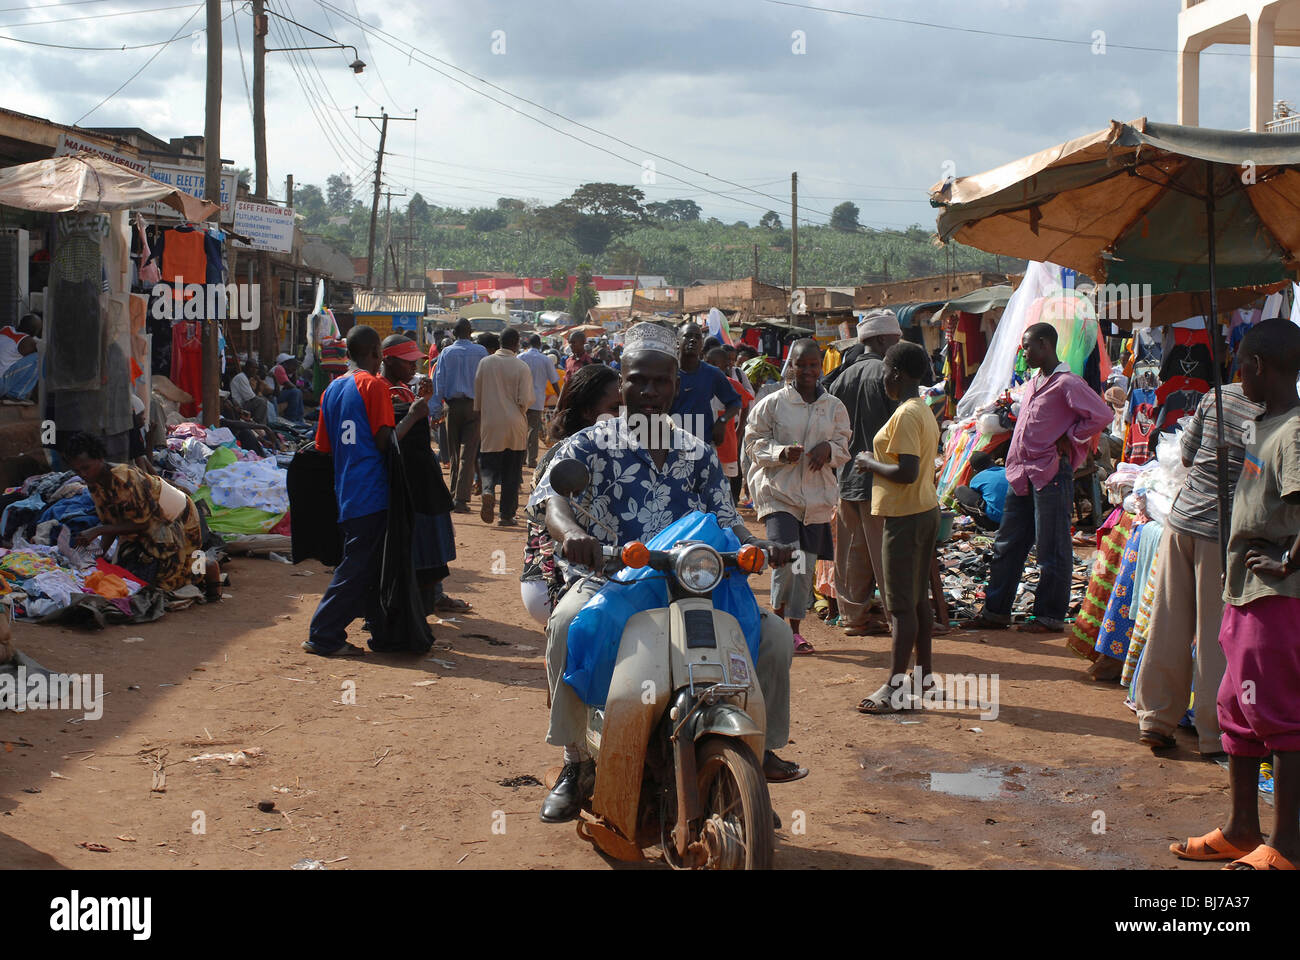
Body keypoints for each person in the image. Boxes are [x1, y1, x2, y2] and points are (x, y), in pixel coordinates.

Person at [530, 321, 807, 823]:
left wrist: (759, 545)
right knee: (567, 625)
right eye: (639, 381)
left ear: (676, 387)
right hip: (610, 579)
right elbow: (549, 498)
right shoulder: (589, 445)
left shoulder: (697, 453)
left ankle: (757, 750)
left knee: (773, 638)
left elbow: (726, 520)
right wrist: (571, 532)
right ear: (622, 382)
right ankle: (574, 762)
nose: (650, 392)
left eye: (661, 382)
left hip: (689, 583)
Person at [1170, 318, 1300, 870]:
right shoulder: (1259, 424)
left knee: (1279, 715)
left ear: (1260, 367)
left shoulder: (1294, 431)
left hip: (1276, 596)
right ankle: (1243, 828)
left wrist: (1287, 560)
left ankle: (1287, 845)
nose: (1236, 374)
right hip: (1242, 590)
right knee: (1235, 708)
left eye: (1241, 364)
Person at [1133, 382, 1261, 754]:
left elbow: (1185, 455)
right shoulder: (1280, 411)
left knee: (1168, 621)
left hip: (1182, 518)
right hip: (1219, 534)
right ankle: (1213, 732)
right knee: (1214, 633)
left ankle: (1156, 719)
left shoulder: (1217, 396)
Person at [962, 322, 1112, 635]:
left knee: (1052, 548)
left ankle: (1049, 616)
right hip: (1022, 474)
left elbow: (1101, 414)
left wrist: (1070, 437)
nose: (1024, 352)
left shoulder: (1067, 383)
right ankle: (995, 611)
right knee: (1008, 544)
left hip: (1051, 474)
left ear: (1045, 344)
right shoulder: (1034, 381)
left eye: (1028, 346)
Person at [303, 325, 426, 657]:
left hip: (345, 488)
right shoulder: (372, 386)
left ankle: (381, 630)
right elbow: (386, 442)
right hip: (371, 489)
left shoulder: (332, 390)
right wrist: (413, 417)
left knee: (369, 564)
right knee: (357, 566)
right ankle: (323, 633)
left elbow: (323, 446)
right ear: (376, 354)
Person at [743, 339, 851, 654]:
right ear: (791, 365)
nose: (807, 371)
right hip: (778, 494)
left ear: (821, 367)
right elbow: (753, 443)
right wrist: (780, 452)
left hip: (816, 500)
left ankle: (794, 630)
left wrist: (827, 449)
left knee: (804, 565)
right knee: (785, 557)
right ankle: (774, 625)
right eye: (800, 364)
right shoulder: (773, 403)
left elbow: (844, 445)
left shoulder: (833, 407)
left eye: (813, 365)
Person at [852, 342, 942, 714]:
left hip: (906, 516)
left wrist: (868, 462)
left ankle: (894, 688)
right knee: (918, 599)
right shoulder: (923, 409)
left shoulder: (906, 415)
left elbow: (905, 472)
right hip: (924, 510)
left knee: (900, 606)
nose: (884, 379)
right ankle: (923, 678)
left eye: (886, 371)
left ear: (898, 374)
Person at [63, 431, 221, 601]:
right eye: (77, 470)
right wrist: (98, 558)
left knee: (166, 582)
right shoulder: (95, 483)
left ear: (100, 458)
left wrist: (97, 530)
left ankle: (206, 566)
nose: (83, 474)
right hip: (150, 524)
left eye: (86, 467)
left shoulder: (124, 478)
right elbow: (111, 522)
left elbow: (144, 524)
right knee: (130, 575)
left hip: (177, 518)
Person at [519, 364, 622, 624]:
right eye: (615, 408)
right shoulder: (568, 456)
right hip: (551, 580)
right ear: (589, 413)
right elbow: (556, 512)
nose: (625, 416)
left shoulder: (617, 450)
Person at [826, 310, 904, 637]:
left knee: (851, 553)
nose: (898, 345)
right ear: (883, 339)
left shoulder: (840, 377)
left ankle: (852, 618)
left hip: (845, 477)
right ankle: (898, 618)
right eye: (896, 340)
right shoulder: (888, 375)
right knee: (887, 554)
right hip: (880, 478)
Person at [380, 335, 468, 617]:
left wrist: (424, 401)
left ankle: (434, 597)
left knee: (432, 539)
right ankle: (416, 605)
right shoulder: (380, 391)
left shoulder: (404, 390)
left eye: (415, 362)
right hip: (407, 482)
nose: (412, 367)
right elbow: (389, 439)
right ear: (387, 360)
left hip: (423, 478)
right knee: (419, 543)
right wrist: (416, 410)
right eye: (407, 362)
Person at [474, 327, 533, 527]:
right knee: (512, 471)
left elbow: (478, 396)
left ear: (499, 342)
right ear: (516, 343)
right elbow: (525, 400)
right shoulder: (521, 366)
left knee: (489, 464)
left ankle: (488, 489)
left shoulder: (485, 363)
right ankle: (506, 515)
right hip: (515, 423)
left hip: (491, 422)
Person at [432, 318, 488, 513]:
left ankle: (454, 494)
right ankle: (461, 499)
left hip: (452, 406)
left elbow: (438, 382)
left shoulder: (446, 353)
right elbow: (484, 381)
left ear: (453, 334)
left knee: (455, 453)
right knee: (468, 454)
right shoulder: (481, 352)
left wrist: (435, 411)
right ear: (470, 332)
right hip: (474, 407)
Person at [671, 322, 741, 445]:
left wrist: (722, 421)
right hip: (670, 443)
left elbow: (735, 402)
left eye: (697, 337)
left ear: (702, 345)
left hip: (702, 443)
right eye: (687, 336)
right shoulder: (667, 371)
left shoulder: (712, 373)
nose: (693, 340)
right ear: (677, 342)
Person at [706, 346, 753, 506]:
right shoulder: (701, 383)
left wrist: (740, 429)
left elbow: (745, 402)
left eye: (716, 363)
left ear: (725, 366)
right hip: (705, 439)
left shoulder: (731, 383)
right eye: (708, 362)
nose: (711, 366)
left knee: (724, 480)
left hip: (726, 440)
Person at [519, 333, 561, 469]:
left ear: (528, 344)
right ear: (539, 344)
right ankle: (531, 460)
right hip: (537, 400)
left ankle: (522, 459)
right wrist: (560, 397)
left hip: (521, 399)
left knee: (521, 429)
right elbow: (554, 381)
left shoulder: (520, 357)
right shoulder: (545, 360)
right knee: (533, 429)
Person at [953, 451, 1007, 532]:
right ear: (992, 461)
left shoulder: (977, 478)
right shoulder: (1007, 471)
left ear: (975, 471)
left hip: (996, 522)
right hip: (1017, 519)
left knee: (960, 490)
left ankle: (982, 525)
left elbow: (975, 497)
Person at [0, 314, 41, 400]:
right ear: (35, 331)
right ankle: (17, 394)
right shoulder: (28, 342)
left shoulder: (5, 329)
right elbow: (42, 348)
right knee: (39, 358)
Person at [229, 360, 271, 424]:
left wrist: (259, 382)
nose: (254, 370)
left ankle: (263, 424)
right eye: (252, 367)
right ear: (246, 368)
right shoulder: (241, 377)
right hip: (239, 405)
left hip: (245, 403)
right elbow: (251, 398)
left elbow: (254, 395)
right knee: (262, 402)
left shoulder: (246, 378)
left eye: (256, 368)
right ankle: (259, 425)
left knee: (263, 400)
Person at [270, 353, 305, 424]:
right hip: (272, 395)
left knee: (297, 392)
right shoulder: (279, 368)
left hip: (276, 394)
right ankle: (291, 419)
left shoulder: (285, 371)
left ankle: (299, 419)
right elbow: (291, 386)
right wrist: (294, 373)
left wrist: (294, 372)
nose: (294, 367)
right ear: (285, 364)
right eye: (292, 364)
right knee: (295, 392)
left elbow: (299, 384)